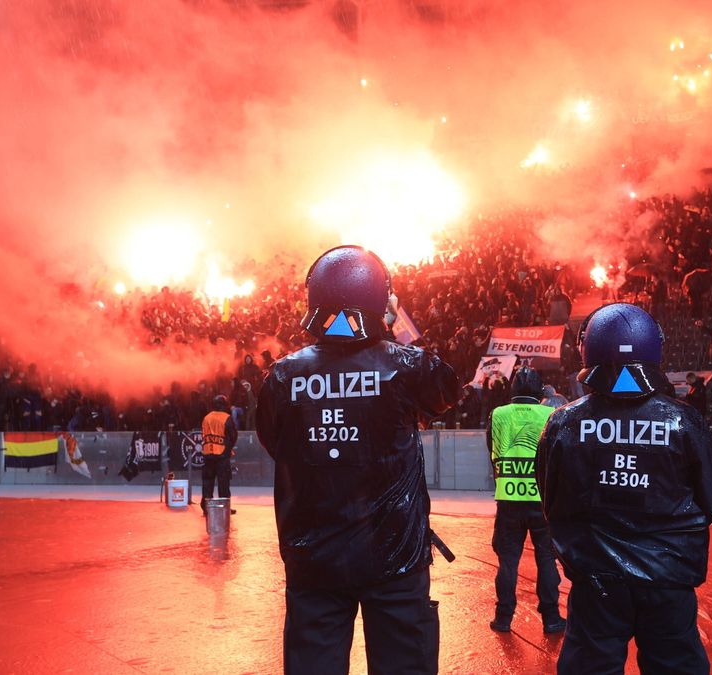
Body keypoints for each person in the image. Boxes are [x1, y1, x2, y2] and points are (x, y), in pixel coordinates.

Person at [256, 246, 458, 675]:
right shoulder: (407, 364)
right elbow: (446, 391)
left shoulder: (282, 376)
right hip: (395, 557)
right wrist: (397, 325)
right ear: (380, 302)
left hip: (313, 559)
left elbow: (278, 444)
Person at [537, 303, 712, 674]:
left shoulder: (564, 423)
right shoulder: (684, 421)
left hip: (596, 581)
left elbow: (551, 498)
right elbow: (708, 502)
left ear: (587, 348)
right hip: (669, 579)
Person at [486, 367, 565, 634]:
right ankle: (552, 619)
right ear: (539, 390)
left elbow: (492, 449)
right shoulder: (550, 414)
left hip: (508, 500)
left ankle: (503, 618)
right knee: (546, 559)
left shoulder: (497, 414)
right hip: (542, 501)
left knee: (507, 562)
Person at [201, 394, 238, 515]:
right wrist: (228, 448)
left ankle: (206, 508)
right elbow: (233, 436)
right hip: (222, 456)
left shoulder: (206, 418)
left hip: (208, 455)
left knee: (207, 482)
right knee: (223, 483)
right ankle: (224, 509)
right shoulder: (227, 418)